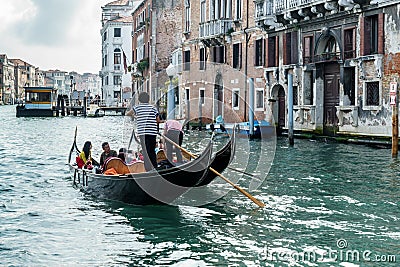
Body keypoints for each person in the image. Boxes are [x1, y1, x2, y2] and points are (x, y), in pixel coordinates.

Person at [126, 92, 163, 171]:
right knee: (152, 151)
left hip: (143, 133)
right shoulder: (153, 108)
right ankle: (155, 168)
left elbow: (127, 114)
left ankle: (148, 169)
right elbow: (158, 120)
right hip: (153, 132)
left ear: (139, 99)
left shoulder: (137, 108)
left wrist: (135, 116)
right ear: (148, 99)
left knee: (146, 152)